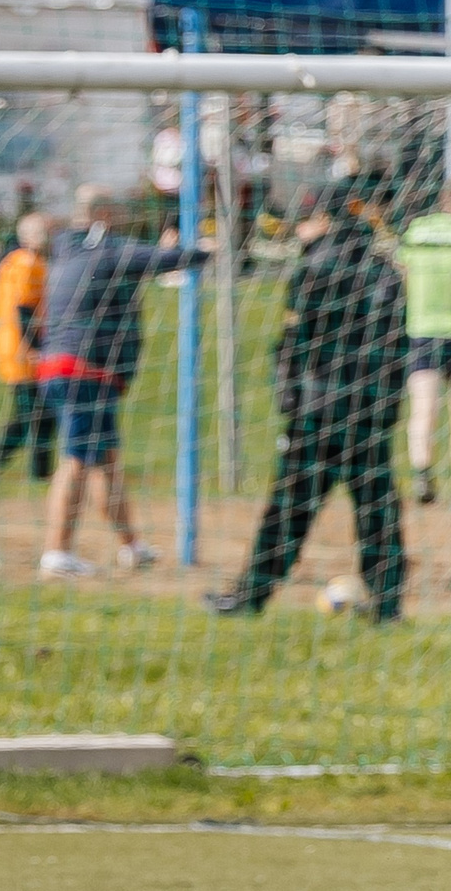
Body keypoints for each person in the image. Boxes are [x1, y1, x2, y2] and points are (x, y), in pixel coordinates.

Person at [207, 184, 407, 622]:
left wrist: (290, 402)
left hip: (316, 414)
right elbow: (397, 349)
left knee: (289, 510)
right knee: (379, 512)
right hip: (367, 413)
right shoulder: (386, 273)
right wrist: (388, 408)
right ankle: (388, 605)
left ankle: (251, 596)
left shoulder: (312, 268)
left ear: (327, 219)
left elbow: (292, 346)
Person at [33, 185, 210, 578]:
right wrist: (207, 246)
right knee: (76, 461)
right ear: (104, 214)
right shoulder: (107, 249)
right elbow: (172, 259)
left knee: (105, 462)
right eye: (121, 210)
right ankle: (56, 552)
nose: (128, 218)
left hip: (72, 368)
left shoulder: (68, 246)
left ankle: (132, 546)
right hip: (83, 370)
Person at [0, 211, 56, 482]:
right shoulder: (28, 263)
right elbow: (25, 309)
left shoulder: (15, 261)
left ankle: (36, 471)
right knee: (33, 417)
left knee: (36, 415)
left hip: (14, 347)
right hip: (24, 351)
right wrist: (38, 348)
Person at [398, 188, 451, 504]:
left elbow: (403, 271)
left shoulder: (417, 230)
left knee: (423, 408)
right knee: (424, 407)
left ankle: (422, 474)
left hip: (423, 330)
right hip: (432, 330)